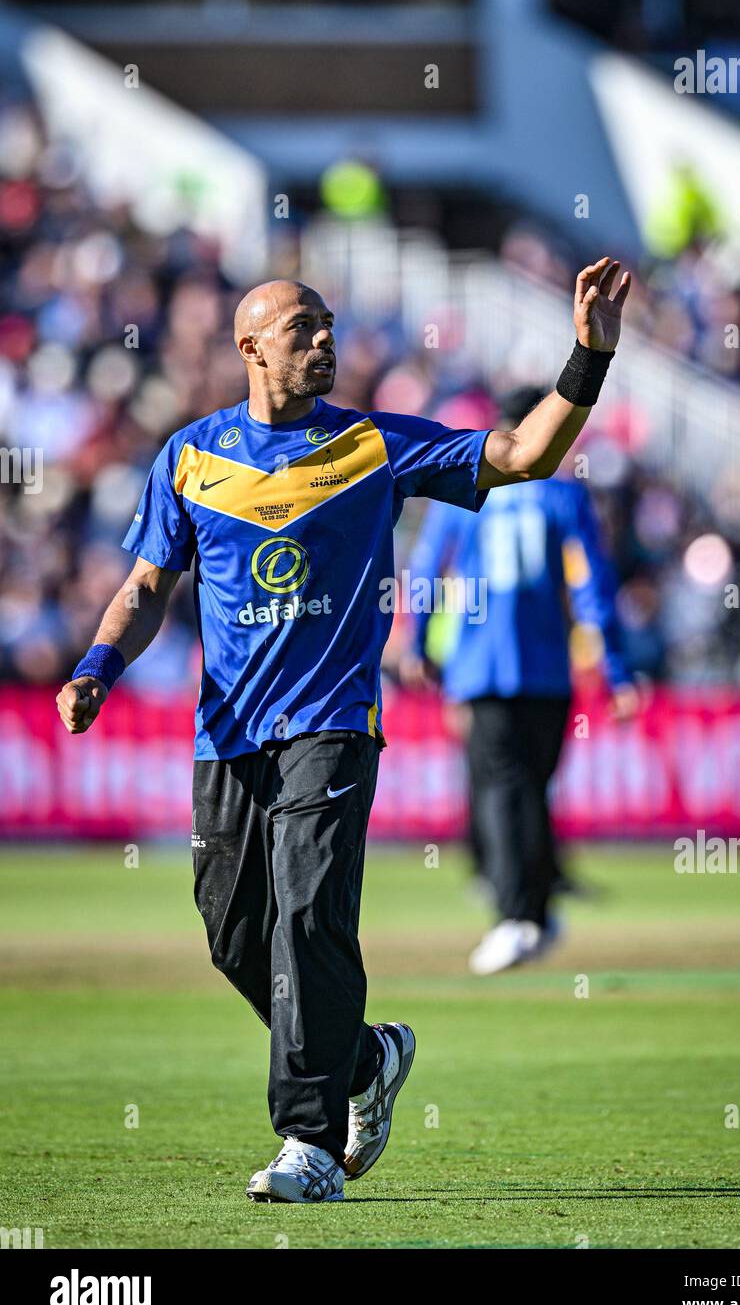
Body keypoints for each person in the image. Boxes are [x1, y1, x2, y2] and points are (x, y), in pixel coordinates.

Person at [55, 257, 631, 1203]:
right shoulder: (190, 456)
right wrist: (96, 668)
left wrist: (587, 355)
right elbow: (148, 586)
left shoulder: (373, 445)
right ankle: (364, 1058)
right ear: (250, 348)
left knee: (311, 921)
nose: (325, 340)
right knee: (235, 938)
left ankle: (308, 1142)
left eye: (327, 325)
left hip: (332, 724)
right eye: (302, 329)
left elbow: (523, 454)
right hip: (229, 734)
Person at [401, 387, 639, 974]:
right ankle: (534, 910)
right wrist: (614, 670)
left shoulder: (463, 491)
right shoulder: (565, 497)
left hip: (481, 670)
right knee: (529, 788)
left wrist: (415, 646)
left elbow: (428, 569)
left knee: (501, 792)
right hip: (547, 672)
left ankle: (517, 918)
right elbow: (593, 587)